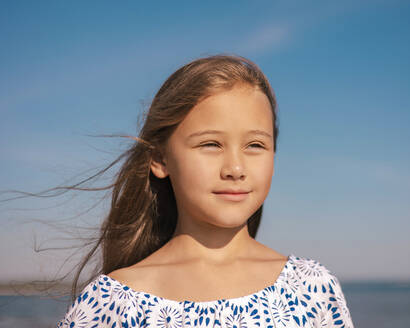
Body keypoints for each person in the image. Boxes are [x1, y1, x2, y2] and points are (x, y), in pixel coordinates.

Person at [55, 54, 354, 327]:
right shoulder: (111, 304)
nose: (235, 169)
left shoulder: (312, 289)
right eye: (210, 144)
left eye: (255, 145)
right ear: (160, 159)